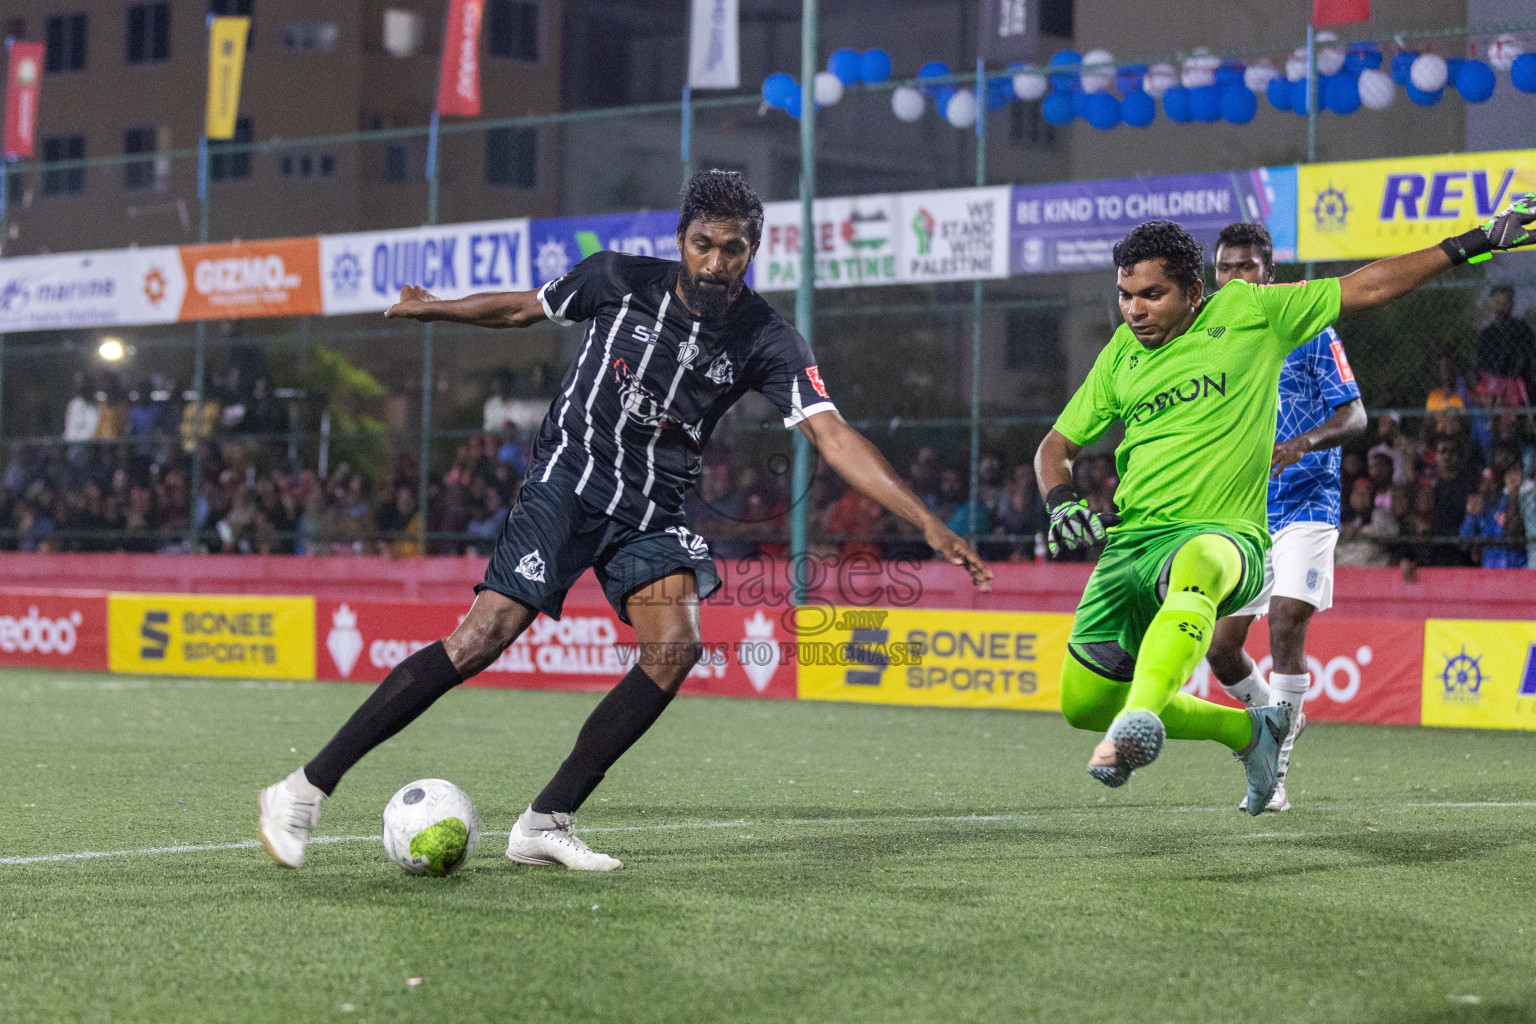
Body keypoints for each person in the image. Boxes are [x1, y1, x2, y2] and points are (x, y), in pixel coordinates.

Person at [258, 170, 991, 871]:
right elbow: (522, 307)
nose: (715, 261)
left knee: (673, 649)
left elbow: (831, 433)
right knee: (484, 638)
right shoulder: (616, 278)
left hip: (651, 508)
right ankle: (303, 790)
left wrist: (925, 521)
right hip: (569, 482)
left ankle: (544, 823)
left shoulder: (767, 339)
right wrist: (435, 307)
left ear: (752, 251)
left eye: (733, 247)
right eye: (704, 243)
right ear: (681, 239)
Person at [1034, 192, 1536, 814]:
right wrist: (1060, 501)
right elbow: (1054, 446)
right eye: (1125, 295)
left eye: (1151, 295)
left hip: (1227, 532)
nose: (1134, 311)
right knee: (1082, 704)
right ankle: (1252, 730)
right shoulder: (1122, 354)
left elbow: (1366, 288)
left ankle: (1138, 722)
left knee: (1205, 573)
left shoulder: (1251, 312)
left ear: (1194, 291)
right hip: (1131, 542)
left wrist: (1476, 241)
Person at [1197, 222, 1367, 813]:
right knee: (1221, 648)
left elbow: (1356, 416)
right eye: (1225, 268)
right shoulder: (1209, 337)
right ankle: (1279, 717)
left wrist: (1304, 443)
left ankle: (1275, 776)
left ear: (1268, 271)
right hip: (1243, 507)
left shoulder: (1309, 324)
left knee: (1288, 619)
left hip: (1308, 500)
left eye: (1247, 267)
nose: (1236, 277)